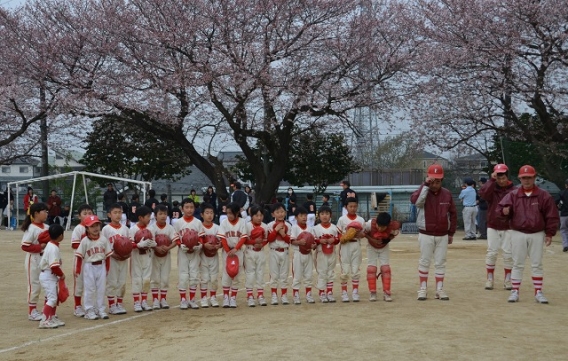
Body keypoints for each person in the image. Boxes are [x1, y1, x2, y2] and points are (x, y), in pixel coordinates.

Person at [497, 165, 559, 304]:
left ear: (534, 178)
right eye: (524, 178)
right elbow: (500, 209)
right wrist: (504, 212)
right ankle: (515, 291)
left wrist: (549, 233)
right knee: (518, 263)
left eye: (529, 177)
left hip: (537, 233)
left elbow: (551, 215)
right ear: (520, 178)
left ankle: (538, 292)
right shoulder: (513, 195)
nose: (526, 180)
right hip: (518, 232)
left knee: (537, 264)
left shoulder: (544, 195)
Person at [410, 164, 457, 301]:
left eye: (438, 181)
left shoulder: (447, 194)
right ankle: (423, 289)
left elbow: (453, 214)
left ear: (442, 180)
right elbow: (415, 201)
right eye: (433, 180)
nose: (435, 184)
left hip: (442, 234)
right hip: (426, 233)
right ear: (428, 179)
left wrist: (451, 233)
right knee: (424, 261)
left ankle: (439, 289)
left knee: (440, 262)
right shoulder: (423, 191)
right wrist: (425, 185)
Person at [478, 164, 515, 290]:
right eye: (498, 177)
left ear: (507, 176)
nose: (501, 180)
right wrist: (491, 180)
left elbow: (519, 206)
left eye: (503, 177)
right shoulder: (492, 188)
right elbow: (483, 194)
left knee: (508, 253)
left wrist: (510, 210)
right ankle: (489, 279)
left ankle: (508, 279)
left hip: (508, 225)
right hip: (493, 224)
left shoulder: (513, 190)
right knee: (491, 252)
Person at [74, 215, 113, 320]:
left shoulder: (104, 239)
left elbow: (108, 256)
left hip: (101, 265)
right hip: (89, 266)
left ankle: (100, 309)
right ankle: (89, 310)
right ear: (87, 228)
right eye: (92, 226)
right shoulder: (85, 241)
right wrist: (77, 269)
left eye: (97, 225)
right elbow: (79, 256)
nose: (95, 228)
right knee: (89, 289)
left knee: (101, 289)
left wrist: (107, 269)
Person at [174, 198, 205, 309]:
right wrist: (180, 244)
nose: (189, 209)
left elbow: (201, 237)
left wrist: (199, 245)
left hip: (195, 253)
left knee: (194, 275)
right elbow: (176, 237)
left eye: (191, 207)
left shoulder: (197, 222)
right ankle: (183, 299)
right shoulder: (178, 223)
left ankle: (192, 299)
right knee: (183, 275)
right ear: (182, 209)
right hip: (183, 253)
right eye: (186, 207)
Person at [20, 202, 49, 321]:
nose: (46, 213)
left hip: (45, 259)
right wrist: (40, 246)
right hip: (34, 259)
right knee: (35, 285)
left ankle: (47, 310)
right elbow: (25, 246)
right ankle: (32, 311)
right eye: (44, 211)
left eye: (47, 211)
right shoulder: (31, 228)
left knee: (48, 284)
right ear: (36, 213)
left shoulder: (47, 227)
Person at [101, 203, 130, 315]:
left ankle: (119, 303)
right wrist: (112, 254)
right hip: (111, 259)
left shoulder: (125, 229)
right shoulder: (106, 229)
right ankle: (112, 304)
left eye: (120, 212)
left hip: (123, 259)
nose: (118, 215)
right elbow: (103, 245)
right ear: (109, 215)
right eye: (115, 212)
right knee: (112, 281)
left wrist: (128, 254)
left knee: (122, 282)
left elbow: (129, 244)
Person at [217, 202, 248, 308]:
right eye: (227, 213)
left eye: (231, 213)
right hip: (227, 252)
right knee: (226, 273)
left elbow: (243, 237)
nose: (229, 215)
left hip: (237, 251)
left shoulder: (243, 222)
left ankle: (233, 297)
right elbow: (223, 238)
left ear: (237, 212)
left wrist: (236, 248)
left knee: (236, 274)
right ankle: (226, 297)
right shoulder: (224, 222)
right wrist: (227, 250)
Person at [364, 212, 400, 302]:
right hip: (371, 247)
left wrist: (386, 240)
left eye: (383, 227)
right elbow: (364, 233)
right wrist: (372, 240)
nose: (380, 229)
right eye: (378, 226)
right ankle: (372, 292)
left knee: (386, 269)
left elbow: (394, 234)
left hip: (384, 248)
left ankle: (387, 292)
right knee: (371, 269)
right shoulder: (369, 224)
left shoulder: (392, 227)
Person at [336, 197, 365, 302]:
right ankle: (344, 292)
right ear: (346, 207)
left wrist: (360, 234)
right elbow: (338, 235)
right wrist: (343, 238)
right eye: (350, 206)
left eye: (355, 206)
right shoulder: (342, 219)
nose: (353, 208)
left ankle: (355, 292)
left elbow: (363, 234)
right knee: (345, 270)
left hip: (356, 245)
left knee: (356, 269)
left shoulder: (360, 220)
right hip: (345, 246)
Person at [150, 204, 178, 310]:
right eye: (160, 214)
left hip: (166, 255)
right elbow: (150, 241)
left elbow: (176, 241)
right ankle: (155, 300)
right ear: (155, 216)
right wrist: (156, 247)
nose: (163, 216)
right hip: (154, 256)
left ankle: (163, 298)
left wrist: (168, 247)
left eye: (165, 214)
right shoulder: (152, 228)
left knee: (165, 277)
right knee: (155, 277)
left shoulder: (170, 228)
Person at [38, 224, 66, 329]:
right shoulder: (53, 247)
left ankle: (51, 317)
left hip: (49, 275)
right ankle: (44, 320)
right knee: (52, 298)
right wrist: (62, 275)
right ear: (60, 236)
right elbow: (54, 266)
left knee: (53, 297)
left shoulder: (51, 244)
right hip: (48, 275)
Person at [130, 206, 157, 312]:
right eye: (147, 216)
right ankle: (136, 302)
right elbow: (129, 243)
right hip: (136, 256)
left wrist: (153, 244)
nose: (149, 219)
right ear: (140, 217)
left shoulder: (151, 229)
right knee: (137, 278)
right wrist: (138, 245)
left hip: (147, 256)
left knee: (146, 278)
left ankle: (144, 300)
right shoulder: (133, 229)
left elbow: (153, 241)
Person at [312, 205, 340, 303]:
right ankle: (322, 293)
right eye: (322, 214)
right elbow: (313, 240)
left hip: (331, 253)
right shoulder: (316, 228)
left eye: (327, 214)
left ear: (330, 215)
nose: (325, 216)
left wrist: (334, 240)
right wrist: (320, 240)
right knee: (322, 273)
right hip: (321, 254)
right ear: (318, 216)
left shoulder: (334, 228)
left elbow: (338, 238)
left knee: (331, 273)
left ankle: (329, 292)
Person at [70, 204, 94, 317]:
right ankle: (77, 306)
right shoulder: (78, 228)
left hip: (91, 260)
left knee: (91, 283)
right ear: (79, 216)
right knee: (79, 283)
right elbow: (74, 244)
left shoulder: (95, 228)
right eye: (85, 214)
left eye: (90, 213)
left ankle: (90, 305)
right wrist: (87, 243)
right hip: (80, 259)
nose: (88, 215)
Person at [266, 203, 293, 305]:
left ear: (285, 213)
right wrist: (275, 230)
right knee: (274, 274)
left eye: (282, 212)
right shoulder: (269, 225)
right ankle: (274, 295)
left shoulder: (289, 225)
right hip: (274, 251)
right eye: (277, 212)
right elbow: (269, 239)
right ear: (273, 214)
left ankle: (284, 295)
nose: (280, 214)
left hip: (284, 251)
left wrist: (283, 234)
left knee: (284, 274)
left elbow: (289, 240)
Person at [290, 207, 316, 304]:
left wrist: (314, 245)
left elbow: (314, 241)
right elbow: (292, 241)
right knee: (297, 275)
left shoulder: (310, 228)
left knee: (308, 275)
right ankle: (296, 295)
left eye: (305, 215)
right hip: (298, 253)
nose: (304, 218)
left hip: (308, 254)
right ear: (296, 217)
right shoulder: (294, 228)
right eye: (301, 216)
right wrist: (299, 242)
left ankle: (308, 294)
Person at [243, 204, 269, 307]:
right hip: (250, 252)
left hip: (261, 252)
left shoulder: (265, 226)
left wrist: (261, 244)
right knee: (250, 274)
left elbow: (266, 239)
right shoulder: (247, 226)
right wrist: (253, 242)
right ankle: (249, 296)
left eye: (261, 215)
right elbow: (244, 240)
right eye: (256, 215)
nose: (259, 218)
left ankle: (260, 295)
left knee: (260, 273)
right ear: (251, 215)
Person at [199, 203, 221, 308]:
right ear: (202, 215)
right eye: (207, 213)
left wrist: (218, 246)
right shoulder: (199, 227)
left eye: (211, 213)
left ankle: (213, 297)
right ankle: (203, 298)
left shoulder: (217, 228)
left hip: (214, 256)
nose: (209, 215)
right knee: (204, 278)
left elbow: (221, 241)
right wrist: (204, 245)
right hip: (202, 256)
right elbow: (197, 241)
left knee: (213, 277)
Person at [555, 179, 568, 252]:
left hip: (564, 214)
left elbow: (555, 201)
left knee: (563, 230)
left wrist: (558, 206)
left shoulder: (562, 193)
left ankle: (566, 245)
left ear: (566, 185)